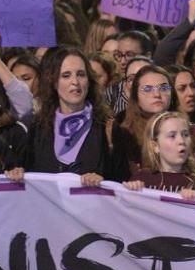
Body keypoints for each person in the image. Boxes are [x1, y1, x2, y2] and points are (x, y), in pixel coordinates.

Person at [27, 47, 127, 184]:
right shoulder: (38, 126)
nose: (75, 82)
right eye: (66, 75)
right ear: (53, 82)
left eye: (81, 74)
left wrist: (103, 182)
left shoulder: (107, 128)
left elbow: (122, 182)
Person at [118, 64, 195, 178]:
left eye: (164, 88)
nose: (157, 94)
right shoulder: (125, 134)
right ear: (136, 97)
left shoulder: (193, 132)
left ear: (172, 95)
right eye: (148, 89)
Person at [123, 111, 195, 199]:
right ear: (155, 146)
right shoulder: (141, 178)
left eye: (185, 135)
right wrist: (130, 192)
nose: (181, 141)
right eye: (172, 136)